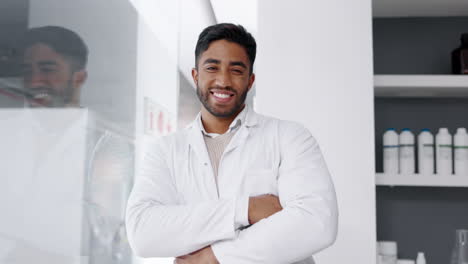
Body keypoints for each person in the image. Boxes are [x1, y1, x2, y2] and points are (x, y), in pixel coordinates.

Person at [126, 23, 338, 264]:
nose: (223, 81)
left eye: (236, 70)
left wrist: (215, 256)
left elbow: (316, 222)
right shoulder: (165, 151)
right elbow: (142, 233)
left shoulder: (290, 137)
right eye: (212, 67)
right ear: (196, 76)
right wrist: (246, 209)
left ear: (250, 80)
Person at [19, 26, 88, 107]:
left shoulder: (100, 119)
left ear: (79, 78)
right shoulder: (4, 118)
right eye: (27, 71)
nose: (33, 83)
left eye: (47, 70)